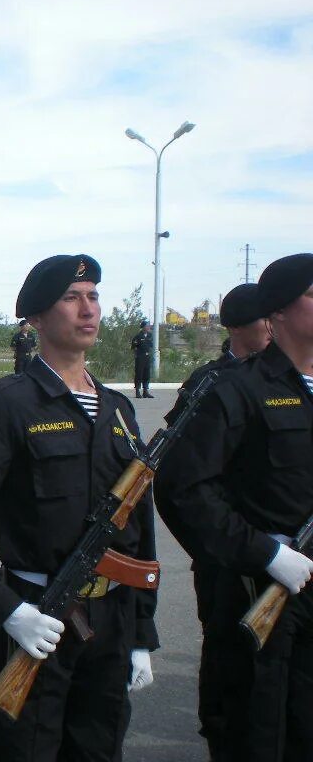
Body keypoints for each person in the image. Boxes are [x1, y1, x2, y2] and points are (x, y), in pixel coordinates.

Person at [0, 255, 158, 762]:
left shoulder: (118, 409)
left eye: (93, 296)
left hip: (110, 621)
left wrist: (141, 630)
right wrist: (5, 609)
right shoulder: (9, 403)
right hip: (35, 618)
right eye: (72, 298)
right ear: (35, 318)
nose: (88, 308)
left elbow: (137, 528)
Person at [154, 254, 313, 762]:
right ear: (278, 313)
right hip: (260, 589)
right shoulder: (236, 391)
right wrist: (262, 553)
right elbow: (185, 490)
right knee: (256, 731)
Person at [160, 282, 269, 761]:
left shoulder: (284, 382)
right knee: (227, 652)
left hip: (281, 550)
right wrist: (208, 549)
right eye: (267, 319)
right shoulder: (209, 383)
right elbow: (178, 479)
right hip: (225, 553)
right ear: (251, 326)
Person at [131, 320, 155, 398]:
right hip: (140, 357)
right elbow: (134, 347)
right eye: (147, 326)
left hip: (147, 357)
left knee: (147, 374)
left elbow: (151, 346)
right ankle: (137, 391)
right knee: (139, 374)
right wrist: (137, 356)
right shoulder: (138, 336)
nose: (148, 327)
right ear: (143, 327)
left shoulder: (150, 335)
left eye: (149, 326)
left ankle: (145, 391)